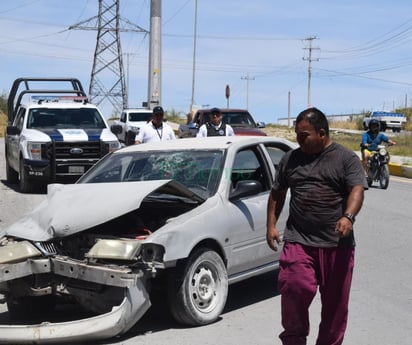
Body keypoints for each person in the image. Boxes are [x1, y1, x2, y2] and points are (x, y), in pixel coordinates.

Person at [266, 107, 367, 345]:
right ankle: (294, 340)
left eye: (304, 135)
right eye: (297, 135)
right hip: (299, 240)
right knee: (293, 287)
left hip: (336, 245)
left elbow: (357, 189)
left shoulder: (345, 159)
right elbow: (277, 192)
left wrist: (348, 217)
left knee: (335, 309)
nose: (298, 140)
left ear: (322, 133)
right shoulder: (291, 159)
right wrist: (271, 225)